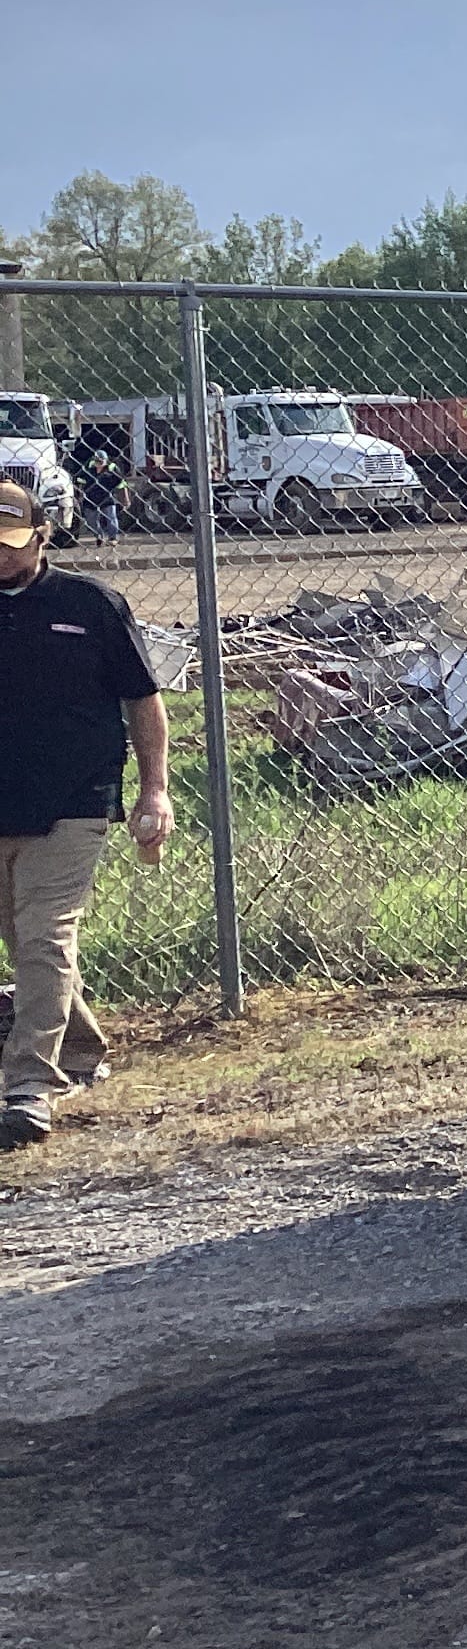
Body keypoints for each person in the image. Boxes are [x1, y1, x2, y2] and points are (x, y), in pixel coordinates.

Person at [0, 478, 169, 1149]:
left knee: (43, 936)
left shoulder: (90, 604)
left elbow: (143, 703)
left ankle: (28, 1087)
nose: (1, 558)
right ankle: (82, 1049)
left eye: (12, 545)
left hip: (75, 802)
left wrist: (155, 791)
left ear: (43, 536)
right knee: (24, 936)